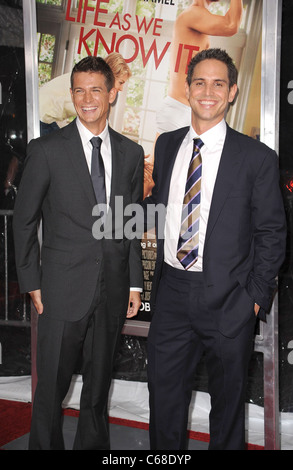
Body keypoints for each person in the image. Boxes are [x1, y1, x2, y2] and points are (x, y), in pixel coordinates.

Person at [142, 48, 286, 450]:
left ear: (232, 92)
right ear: (188, 90)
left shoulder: (257, 157)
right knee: (164, 401)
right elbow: (162, 209)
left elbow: (273, 233)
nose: (208, 91)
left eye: (218, 83)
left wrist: (253, 300)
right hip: (171, 294)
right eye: (200, 82)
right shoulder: (168, 145)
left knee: (226, 408)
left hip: (229, 299)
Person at [13, 56, 144, 450]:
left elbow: (130, 225)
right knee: (50, 391)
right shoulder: (47, 150)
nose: (87, 99)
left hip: (112, 291)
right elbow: (23, 220)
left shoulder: (131, 153)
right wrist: (31, 282)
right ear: (72, 95)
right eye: (79, 90)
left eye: (96, 90)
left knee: (97, 393)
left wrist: (135, 284)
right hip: (60, 290)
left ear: (112, 93)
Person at [145, 0, 243, 198]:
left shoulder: (196, 16)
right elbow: (231, 25)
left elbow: (229, 22)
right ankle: (122, 222)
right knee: (164, 182)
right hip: (180, 110)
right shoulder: (193, 14)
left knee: (157, 180)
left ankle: (126, 223)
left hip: (179, 109)